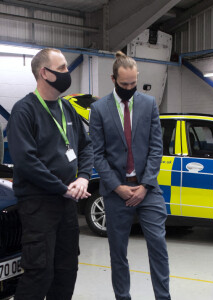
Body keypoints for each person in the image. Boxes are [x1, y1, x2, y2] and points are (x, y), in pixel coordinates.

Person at [7, 48, 93, 300]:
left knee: (67, 271)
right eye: (63, 67)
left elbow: (86, 146)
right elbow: (26, 161)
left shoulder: (67, 109)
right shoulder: (24, 110)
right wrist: (62, 187)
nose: (68, 72)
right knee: (39, 273)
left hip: (67, 204)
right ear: (45, 73)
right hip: (38, 205)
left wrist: (83, 177)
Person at [89, 51, 170, 300]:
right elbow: (98, 154)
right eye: (124, 84)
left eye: (133, 83)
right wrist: (117, 187)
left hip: (148, 189)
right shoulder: (99, 109)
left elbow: (157, 148)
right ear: (113, 79)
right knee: (118, 251)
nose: (129, 88)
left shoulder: (149, 104)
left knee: (158, 245)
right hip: (116, 192)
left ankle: (163, 297)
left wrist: (145, 185)